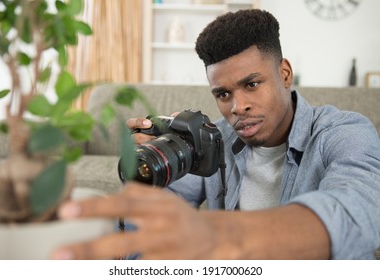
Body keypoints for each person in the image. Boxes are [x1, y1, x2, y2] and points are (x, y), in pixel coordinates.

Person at [52, 9, 380, 260]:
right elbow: (163, 214)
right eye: (223, 94)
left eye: (252, 85)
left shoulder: (344, 131)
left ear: (284, 74)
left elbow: (358, 213)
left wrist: (217, 235)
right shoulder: (215, 139)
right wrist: (152, 173)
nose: (238, 107)